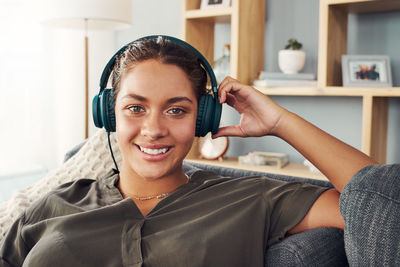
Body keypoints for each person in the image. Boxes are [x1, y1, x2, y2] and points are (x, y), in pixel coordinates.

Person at [0, 36, 398, 266]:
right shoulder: (56, 203)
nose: (153, 129)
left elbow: (379, 200)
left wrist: (281, 123)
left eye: (177, 110)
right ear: (109, 114)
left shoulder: (249, 200)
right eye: (135, 108)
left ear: (202, 120)